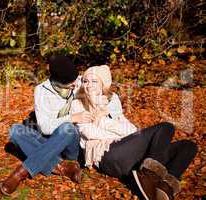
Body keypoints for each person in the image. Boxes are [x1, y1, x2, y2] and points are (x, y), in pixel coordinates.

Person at [70, 65, 197, 200]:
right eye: (85, 81)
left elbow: (131, 130)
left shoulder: (111, 103)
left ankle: (165, 187)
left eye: (94, 81)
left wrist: (103, 118)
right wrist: (107, 123)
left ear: (103, 84)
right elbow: (89, 132)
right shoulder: (77, 104)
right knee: (166, 127)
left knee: (188, 146)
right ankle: (148, 176)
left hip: (131, 158)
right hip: (107, 155)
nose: (88, 85)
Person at [0, 55, 94, 195]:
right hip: (50, 140)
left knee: (67, 128)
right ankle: (63, 168)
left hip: (70, 143)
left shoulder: (79, 82)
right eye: (71, 83)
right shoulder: (41, 91)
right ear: (58, 81)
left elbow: (104, 91)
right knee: (15, 130)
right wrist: (72, 117)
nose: (75, 84)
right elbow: (45, 127)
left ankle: (21, 173)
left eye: (76, 79)